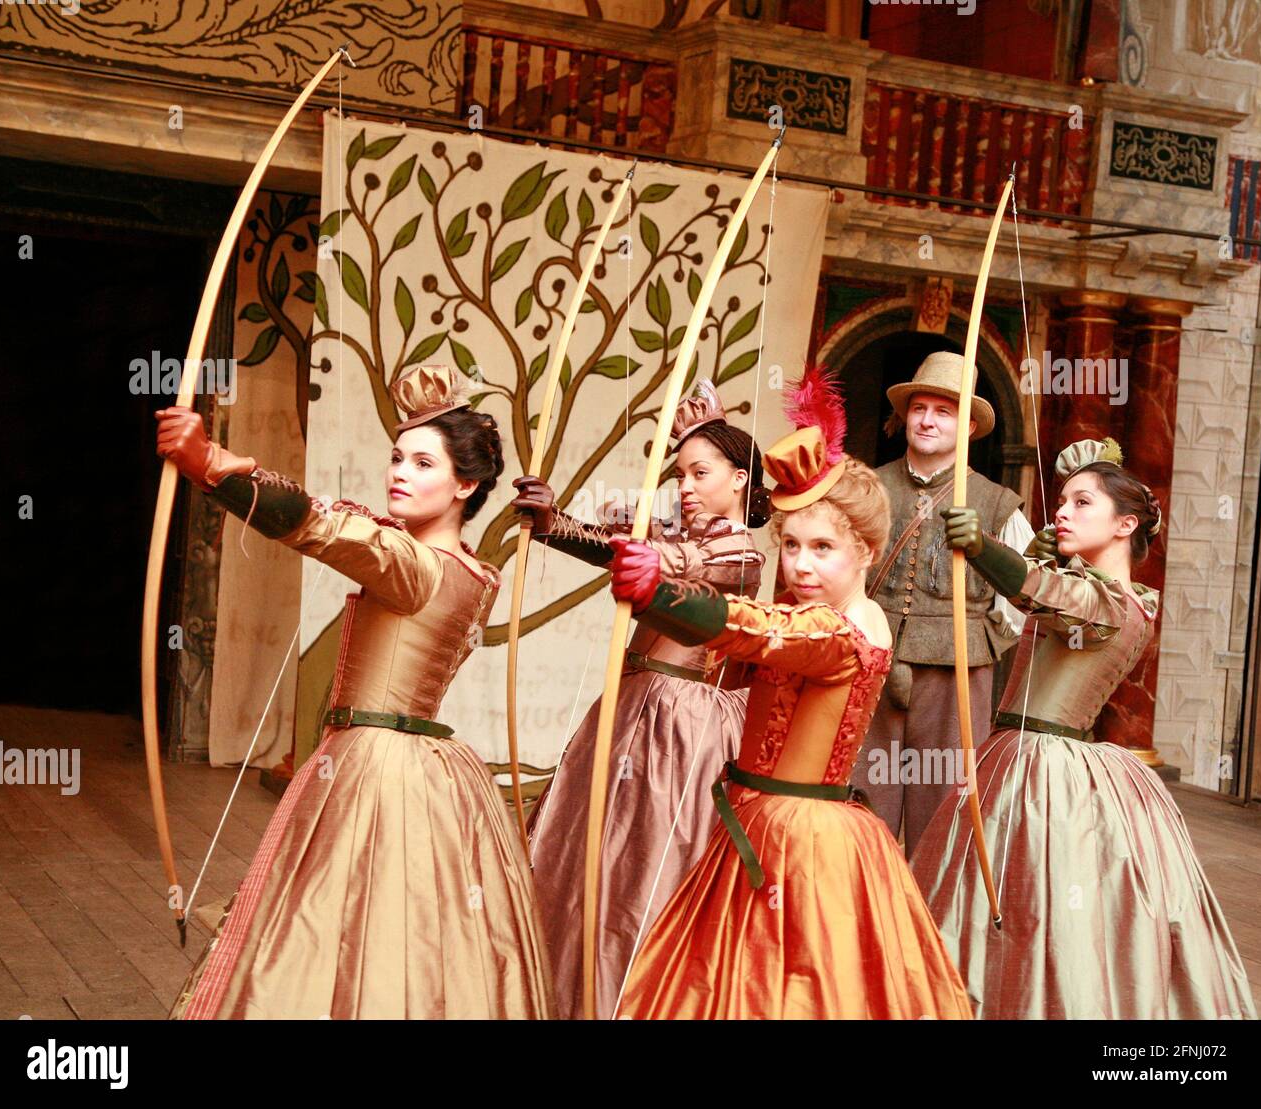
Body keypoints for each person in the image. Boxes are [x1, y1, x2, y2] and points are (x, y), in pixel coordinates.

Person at [161, 364, 552, 1019]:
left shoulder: (414, 564)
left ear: (466, 483)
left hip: (372, 769)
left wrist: (213, 466)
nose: (400, 470)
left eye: (424, 463)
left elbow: (320, 524)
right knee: (401, 930)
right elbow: (346, 524)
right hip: (420, 766)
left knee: (334, 923)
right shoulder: (470, 572)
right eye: (397, 456)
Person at [608, 368, 972, 1019]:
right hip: (761, 819)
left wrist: (660, 592)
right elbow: (759, 649)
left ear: (864, 550)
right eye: (794, 546)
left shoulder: (840, 628)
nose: (801, 564)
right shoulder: (830, 614)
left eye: (823, 548)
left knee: (782, 986)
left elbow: (761, 629)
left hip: (797, 839)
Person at [911, 438, 1257, 1019]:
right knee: (989, 900)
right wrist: (1040, 561)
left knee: (1031, 903)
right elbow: (1046, 597)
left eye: (1082, 503)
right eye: (1062, 501)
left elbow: (1045, 594)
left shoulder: (1115, 605)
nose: (1062, 512)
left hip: (1042, 771)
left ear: (1125, 525)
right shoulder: (1093, 593)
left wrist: (988, 550)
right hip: (1012, 757)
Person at [513, 379, 767, 1019]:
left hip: (679, 726)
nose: (684, 484)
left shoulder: (738, 550)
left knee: (643, 867)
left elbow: (655, 559)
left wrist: (581, 534)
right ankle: (563, 991)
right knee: (587, 856)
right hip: (634, 707)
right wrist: (553, 525)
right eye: (679, 472)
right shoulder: (679, 534)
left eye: (700, 471)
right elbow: (628, 546)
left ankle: (628, 999)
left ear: (740, 478)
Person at [851, 350, 1033, 857]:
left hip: (956, 673)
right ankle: (863, 918)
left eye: (944, 411)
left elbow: (1025, 594)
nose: (928, 420)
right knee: (860, 801)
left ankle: (929, 925)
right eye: (919, 408)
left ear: (969, 425)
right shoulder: (868, 487)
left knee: (945, 806)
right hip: (871, 663)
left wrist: (982, 642)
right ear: (905, 415)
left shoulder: (997, 503)